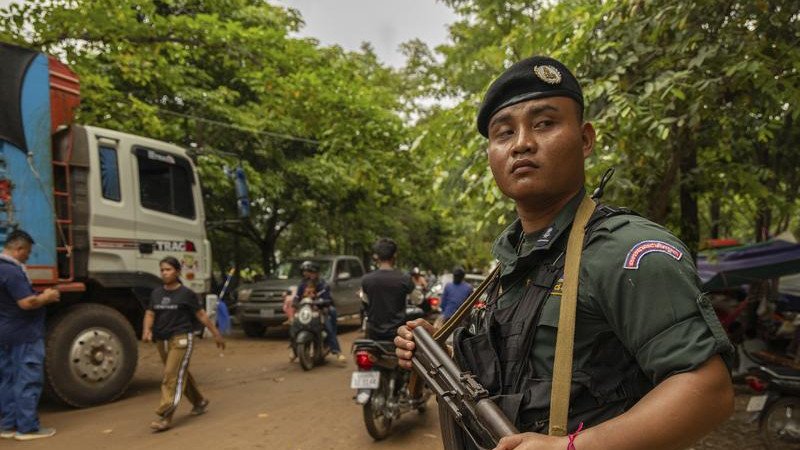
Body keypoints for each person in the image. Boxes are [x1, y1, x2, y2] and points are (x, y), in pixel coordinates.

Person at [395, 56, 735, 450]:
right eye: (503, 133)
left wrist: (569, 448)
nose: (521, 143)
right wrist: (439, 349)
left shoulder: (625, 251)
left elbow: (707, 391)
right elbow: (519, 371)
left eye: (544, 124)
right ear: (490, 154)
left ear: (586, 138)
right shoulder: (508, 262)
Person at [143, 256, 225, 432]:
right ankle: (199, 401)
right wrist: (147, 330)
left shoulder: (186, 294)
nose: (165, 273)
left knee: (171, 375)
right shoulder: (156, 293)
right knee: (180, 373)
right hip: (162, 339)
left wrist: (216, 333)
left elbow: (201, 315)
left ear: (177, 272)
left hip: (181, 338)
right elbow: (150, 313)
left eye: (168, 269)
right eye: (162, 270)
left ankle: (165, 415)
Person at [0, 230, 60, 441]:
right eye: (27, 252)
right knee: (28, 378)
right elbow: (26, 303)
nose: (28, 256)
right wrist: (47, 296)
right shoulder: (13, 272)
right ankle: (27, 428)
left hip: (5, 332)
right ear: (19, 249)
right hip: (24, 334)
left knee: (7, 379)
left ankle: (7, 425)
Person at [361, 238, 419, 341]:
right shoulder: (404, 278)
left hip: (374, 334)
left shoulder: (366, 280)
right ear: (395, 255)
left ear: (377, 257)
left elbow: (365, 302)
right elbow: (418, 300)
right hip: (398, 334)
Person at [292, 261, 345, 362]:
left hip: (320, 311)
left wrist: (320, 303)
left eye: (310, 272)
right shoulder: (302, 284)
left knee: (328, 327)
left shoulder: (323, 284)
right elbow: (297, 297)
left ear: (316, 273)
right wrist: (295, 302)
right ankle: (294, 350)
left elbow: (326, 299)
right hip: (306, 312)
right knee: (294, 325)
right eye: (306, 272)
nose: (307, 274)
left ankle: (337, 351)